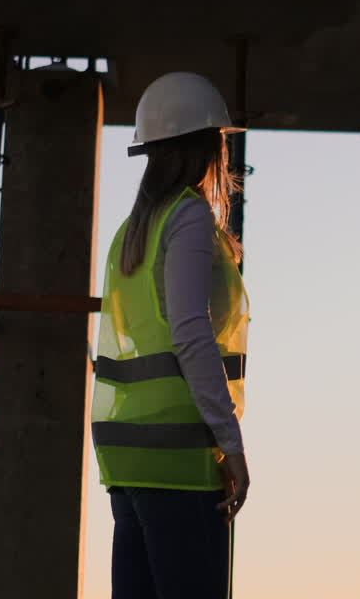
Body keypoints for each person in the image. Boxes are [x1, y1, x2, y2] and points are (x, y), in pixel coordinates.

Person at [91, 71, 251, 599]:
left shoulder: (132, 231)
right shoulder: (188, 216)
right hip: (179, 452)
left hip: (126, 450)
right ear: (208, 146)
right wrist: (230, 443)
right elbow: (191, 333)